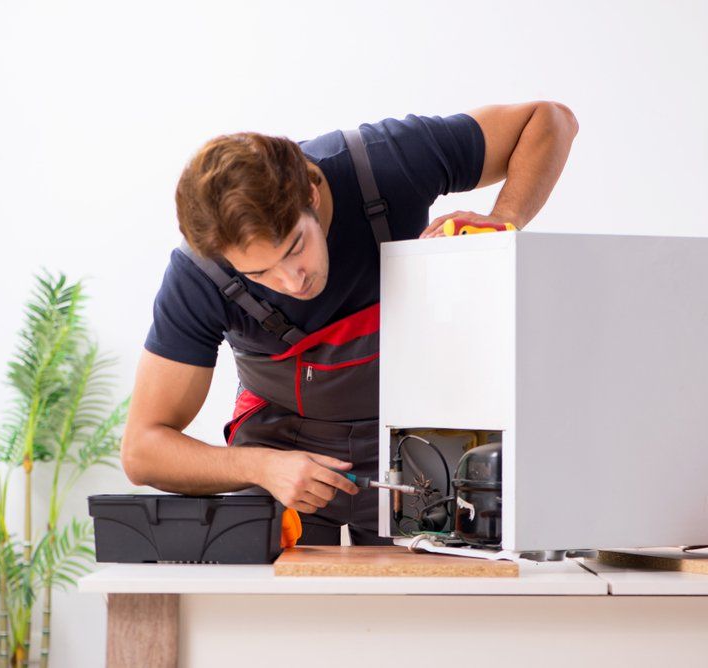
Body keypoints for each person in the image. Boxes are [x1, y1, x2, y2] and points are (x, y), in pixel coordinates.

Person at [121, 102, 579, 544]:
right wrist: (259, 468)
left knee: (430, 601)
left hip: (413, 433)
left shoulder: (383, 162)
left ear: (312, 193)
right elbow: (143, 451)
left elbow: (549, 120)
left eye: (294, 247)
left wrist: (504, 221)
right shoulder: (196, 276)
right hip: (282, 447)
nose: (289, 281)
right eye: (258, 273)